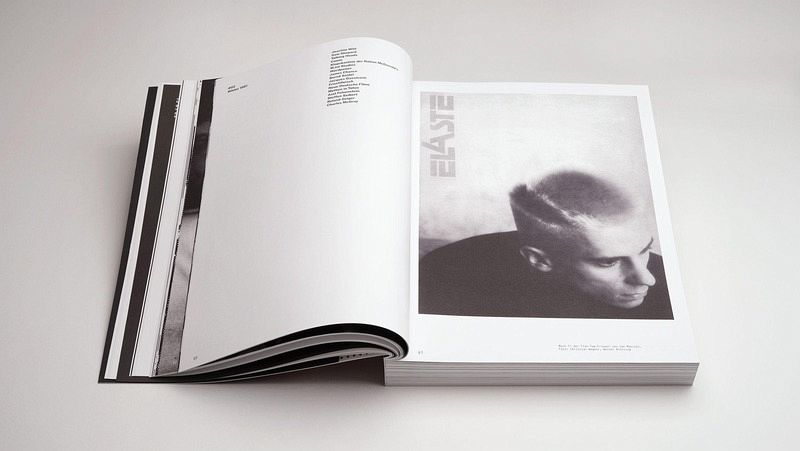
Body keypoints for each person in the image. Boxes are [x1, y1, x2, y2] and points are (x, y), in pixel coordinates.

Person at [418, 170, 673, 319]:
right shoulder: (446, 280)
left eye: (645, 250)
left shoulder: (668, 293)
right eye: (608, 262)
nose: (647, 279)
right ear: (539, 260)